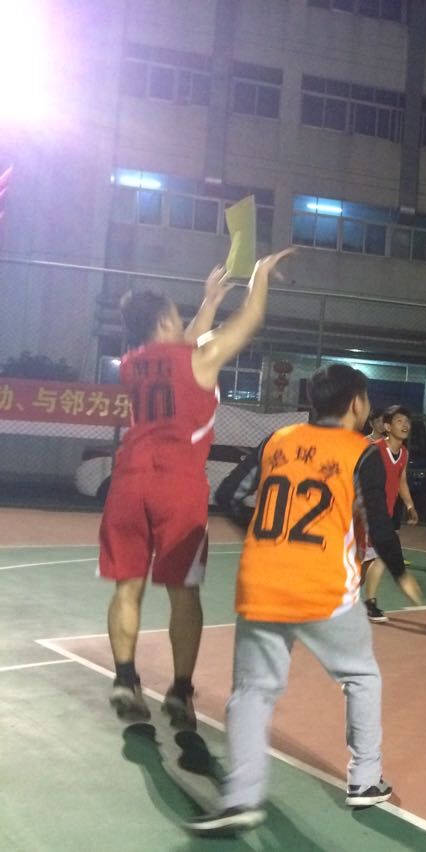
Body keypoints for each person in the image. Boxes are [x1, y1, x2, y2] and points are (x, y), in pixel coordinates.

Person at [186, 364, 423, 837]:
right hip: (323, 587)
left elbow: (230, 493)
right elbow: (380, 524)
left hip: (263, 581)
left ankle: (241, 797)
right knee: (360, 676)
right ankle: (365, 778)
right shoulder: (360, 452)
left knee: (253, 691)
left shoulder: (278, 439)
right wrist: (400, 572)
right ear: (357, 404)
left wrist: (262, 532)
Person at [99, 249, 294, 730]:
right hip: (177, 485)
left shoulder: (131, 364)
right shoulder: (199, 360)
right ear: (167, 320)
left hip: (127, 482)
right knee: (183, 592)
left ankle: (125, 678)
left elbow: (176, 353)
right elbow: (249, 320)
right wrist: (259, 277)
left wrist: (208, 303)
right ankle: (180, 691)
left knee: (128, 586)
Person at [361, 404, 420, 624]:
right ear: (387, 427)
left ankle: (369, 603)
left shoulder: (403, 453)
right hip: (364, 514)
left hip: (383, 515)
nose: (405, 425)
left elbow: (401, 481)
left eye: (407, 421)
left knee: (378, 557)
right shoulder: (374, 451)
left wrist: (410, 506)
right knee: (364, 560)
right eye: (399, 421)